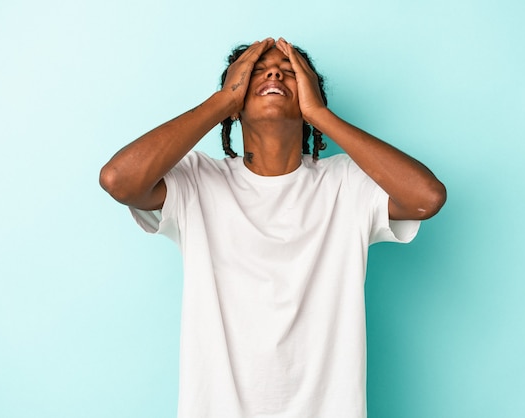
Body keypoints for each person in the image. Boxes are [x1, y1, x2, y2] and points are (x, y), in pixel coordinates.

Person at [100, 37, 446, 418]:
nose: (274, 72)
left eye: (289, 70)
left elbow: (425, 198)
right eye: (255, 71)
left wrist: (321, 115)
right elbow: (119, 180)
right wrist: (221, 103)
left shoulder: (346, 183)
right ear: (236, 99)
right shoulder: (198, 181)